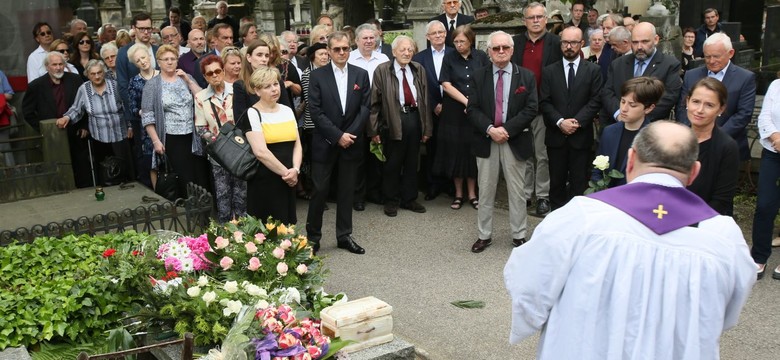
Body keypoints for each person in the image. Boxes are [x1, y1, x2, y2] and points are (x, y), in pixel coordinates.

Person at [503, 120, 756, 359]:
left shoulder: (581, 217)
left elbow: (529, 285)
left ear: (631, 159)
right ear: (694, 173)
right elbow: (726, 313)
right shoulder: (723, 236)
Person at [467, 31, 538, 253]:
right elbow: (472, 108)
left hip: (514, 139)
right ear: (489, 51)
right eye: (496, 48)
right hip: (486, 139)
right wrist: (490, 129)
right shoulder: (479, 76)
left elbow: (531, 108)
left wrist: (506, 130)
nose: (500, 52)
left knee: (517, 191)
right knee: (486, 189)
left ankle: (519, 235)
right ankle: (484, 235)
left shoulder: (525, 76)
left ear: (512, 50)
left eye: (504, 48)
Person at [305, 31, 371, 255]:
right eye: (337, 49)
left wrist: (348, 135)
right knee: (320, 190)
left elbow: (365, 108)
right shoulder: (317, 76)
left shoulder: (361, 75)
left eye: (345, 48)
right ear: (329, 51)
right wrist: (337, 135)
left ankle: (344, 235)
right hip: (325, 142)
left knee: (346, 191)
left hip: (351, 142)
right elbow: (315, 110)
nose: (342, 52)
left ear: (349, 49)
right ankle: (313, 238)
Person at [369, 35, 432, 217]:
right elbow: (374, 102)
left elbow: (425, 100)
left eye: (410, 49)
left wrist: (427, 127)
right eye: (402, 49)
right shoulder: (382, 70)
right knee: (393, 162)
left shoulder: (418, 69)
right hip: (393, 120)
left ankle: (409, 198)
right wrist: (373, 129)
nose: (406, 53)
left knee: (413, 161)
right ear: (394, 52)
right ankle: (391, 200)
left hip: (414, 118)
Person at [541, 26, 602, 210]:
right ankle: (556, 219)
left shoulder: (593, 70)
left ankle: (578, 220)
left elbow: (595, 100)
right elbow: (544, 102)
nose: (569, 46)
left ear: (582, 44)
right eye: (565, 42)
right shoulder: (549, 71)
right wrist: (560, 122)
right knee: (556, 183)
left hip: (580, 137)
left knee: (579, 183)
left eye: (573, 42)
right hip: (556, 137)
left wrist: (576, 122)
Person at [511, 2, 562, 217]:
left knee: (542, 155)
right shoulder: (515, 43)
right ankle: (525, 194)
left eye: (539, 17)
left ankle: (542, 196)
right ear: (525, 21)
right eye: (531, 17)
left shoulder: (556, 43)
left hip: (543, 107)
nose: (535, 20)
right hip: (520, 109)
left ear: (546, 19)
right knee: (524, 155)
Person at [676, 33, 756, 162]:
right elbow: (682, 107)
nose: (711, 61)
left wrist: (713, 137)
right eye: (707, 56)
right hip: (692, 145)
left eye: (716, 56)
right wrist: (690, 133)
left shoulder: (745, 78)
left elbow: (744, 114)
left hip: (726, 146)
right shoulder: (691, 75)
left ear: (730, 53)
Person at [141, 45, 209, 195]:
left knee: (197, 176)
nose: (170, 62)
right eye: (166, 59)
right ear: (159, 62)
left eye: (173, 59)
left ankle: (201, 211)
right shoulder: (152, 85)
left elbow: (202, 98)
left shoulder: (187, 77)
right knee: (180, 176)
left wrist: (188, 80)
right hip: (171, 138)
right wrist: (156, 141)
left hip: (193, 136)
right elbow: (147, 116)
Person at [435, 25, 489, 210]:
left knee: (472, 151)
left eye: (462, 41)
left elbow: (486, 82)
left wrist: (474, 104)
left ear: (471, 41)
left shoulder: (481, 57)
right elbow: (446, 84)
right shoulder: (449, 57)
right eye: (456, 41)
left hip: (476, 111)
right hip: (454, 112)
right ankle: (458, 194)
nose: (458, 45)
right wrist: (467, 103)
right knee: (456, 152)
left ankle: (473, 194)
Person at [239, 66, 301, 224]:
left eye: (275, 84)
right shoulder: (252, 113)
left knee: (287, 223)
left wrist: (295, 170)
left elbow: (297, 145)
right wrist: (286, 174)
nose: (274, 89)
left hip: (289, 177)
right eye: (267, 86)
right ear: (257, 91)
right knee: (267, 227)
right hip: (265, 178)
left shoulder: (287, 110)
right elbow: (260, 152)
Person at [56, 59, 134, 185]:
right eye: (93, 74)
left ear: (104, 72)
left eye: (99, 73)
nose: (97, 76)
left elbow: (127, 107)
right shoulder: (84, 89)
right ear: (88, 75)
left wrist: (130, 126)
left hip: (121, 134)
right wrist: (66, 117)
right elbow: (76, 109)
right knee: (105, 175)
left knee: (125, 171)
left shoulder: (115, 85)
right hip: (99, 137)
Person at [23, 51, 91, 187]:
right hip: (52, 135)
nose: (58, 67)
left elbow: (86, 104)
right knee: (58, 168)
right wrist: (43, 129)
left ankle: (85, 190)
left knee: (81, 166)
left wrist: (84, 125)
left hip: (75, 131)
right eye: (54, 65)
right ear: (47, 66)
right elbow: (28, 112)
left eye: (61, 64)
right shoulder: (36, 86)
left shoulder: (75, 80)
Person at [194, 54, 247, 223]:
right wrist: (217, 141)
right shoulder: (201, 97)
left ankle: (245, 234)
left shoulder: (237, 90)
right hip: (219, 154)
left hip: (241, 151)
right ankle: (225, 236)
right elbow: (201, 128)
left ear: (224, 71)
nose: (215, 75)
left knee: (242, 195)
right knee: (223, 196)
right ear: (205, 77)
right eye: (210, 73)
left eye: (218, 71)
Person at [601, 22, 681, 125]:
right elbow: (608, 93)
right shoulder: (618, 64)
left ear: (656, 39)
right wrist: (619, 114)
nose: (639, 47)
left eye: (644, 41)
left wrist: (638, 118)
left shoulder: (669, 64)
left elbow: (668, 97)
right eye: (635, 42)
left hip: (651, 128)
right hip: (619, 125)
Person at [594, 77, 664, 189]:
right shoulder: (609, 131)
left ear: (649, 108)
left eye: (632, 105)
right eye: (622, 101)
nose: (624, 109)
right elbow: (597, 169)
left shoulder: (654, 139)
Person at [348, 23, 389, 210]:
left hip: (379, 113)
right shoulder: (349, 59)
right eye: (365, 38)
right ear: (356, 40)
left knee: (376, 155)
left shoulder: (383, 59)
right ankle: (358, 196)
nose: (369, 41)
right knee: (358, 156)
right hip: (355, 113)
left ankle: (374, 191)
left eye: (372, 38)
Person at [685, 78, 739, 216]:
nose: (699, 110)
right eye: (696, 102)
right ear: (687, 101)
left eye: (709, 105)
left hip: (704, 222)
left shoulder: (727, 147)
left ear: (720, 109)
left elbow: (721, 200)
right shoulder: (672, 138)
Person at [413, 20, 453, 201]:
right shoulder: (419, 58)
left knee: (452, 147)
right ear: (427, 37)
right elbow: (419, 87)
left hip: (453, 109)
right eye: (434, 33)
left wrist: (447, 104)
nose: (438, 35)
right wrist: (434, 104)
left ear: (445, 34)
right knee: (432, 148)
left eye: (441, 32)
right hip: (430, 110)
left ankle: (451, 185)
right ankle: (433, 185)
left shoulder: (455, 54)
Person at [752, 77, 780, 279]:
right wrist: (777, 138)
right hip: (773, 151)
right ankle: (759, 257)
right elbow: (765, 117)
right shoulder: (776, 85)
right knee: (764, 205)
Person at [299, 42, 330, 199]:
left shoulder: (330, 71)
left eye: (326, 54)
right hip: (313, 124)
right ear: (313, 58)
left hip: (331, 123)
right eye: (321, 54)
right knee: (315, 161)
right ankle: (315, 194)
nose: (325, 56)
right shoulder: (307, 74)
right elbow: (310, 101)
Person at [233, 40, 293, 121]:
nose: (264, 59)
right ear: (249, 57)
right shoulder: (240, 85)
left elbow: (287, 110)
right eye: (259, 55)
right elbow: (240, 119)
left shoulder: (277, 80)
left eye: (266, 55)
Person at [127, 43, 159, 188]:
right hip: (148, 126)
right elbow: (132, 106)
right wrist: (143, 112)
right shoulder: (134, 81)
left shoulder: (162, 74)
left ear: (149, 56)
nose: (142, 61)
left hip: (168, 123)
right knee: (152, 163)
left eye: (144, 57)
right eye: (138, 60)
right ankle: (157, 193)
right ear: (135, 64)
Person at [194, 23, 234, 88]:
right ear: (215, 40)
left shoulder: (239, 59)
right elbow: (201, 89)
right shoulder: (201, 62)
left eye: (231, 38)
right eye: (225, 38)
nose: (229, 42)